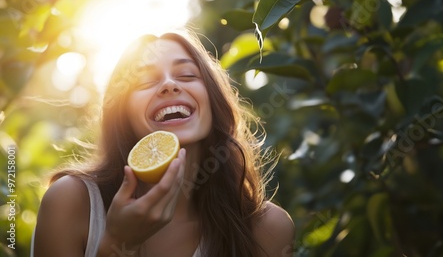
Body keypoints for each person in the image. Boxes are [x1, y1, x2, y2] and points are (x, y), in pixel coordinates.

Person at [31, 30, 295, 256]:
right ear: (122, 112)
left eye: (187, 75)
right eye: (145, 80)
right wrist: (117, 244)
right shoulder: (72, 203)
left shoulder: (267, 228)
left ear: (212, 101)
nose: (169, 85)